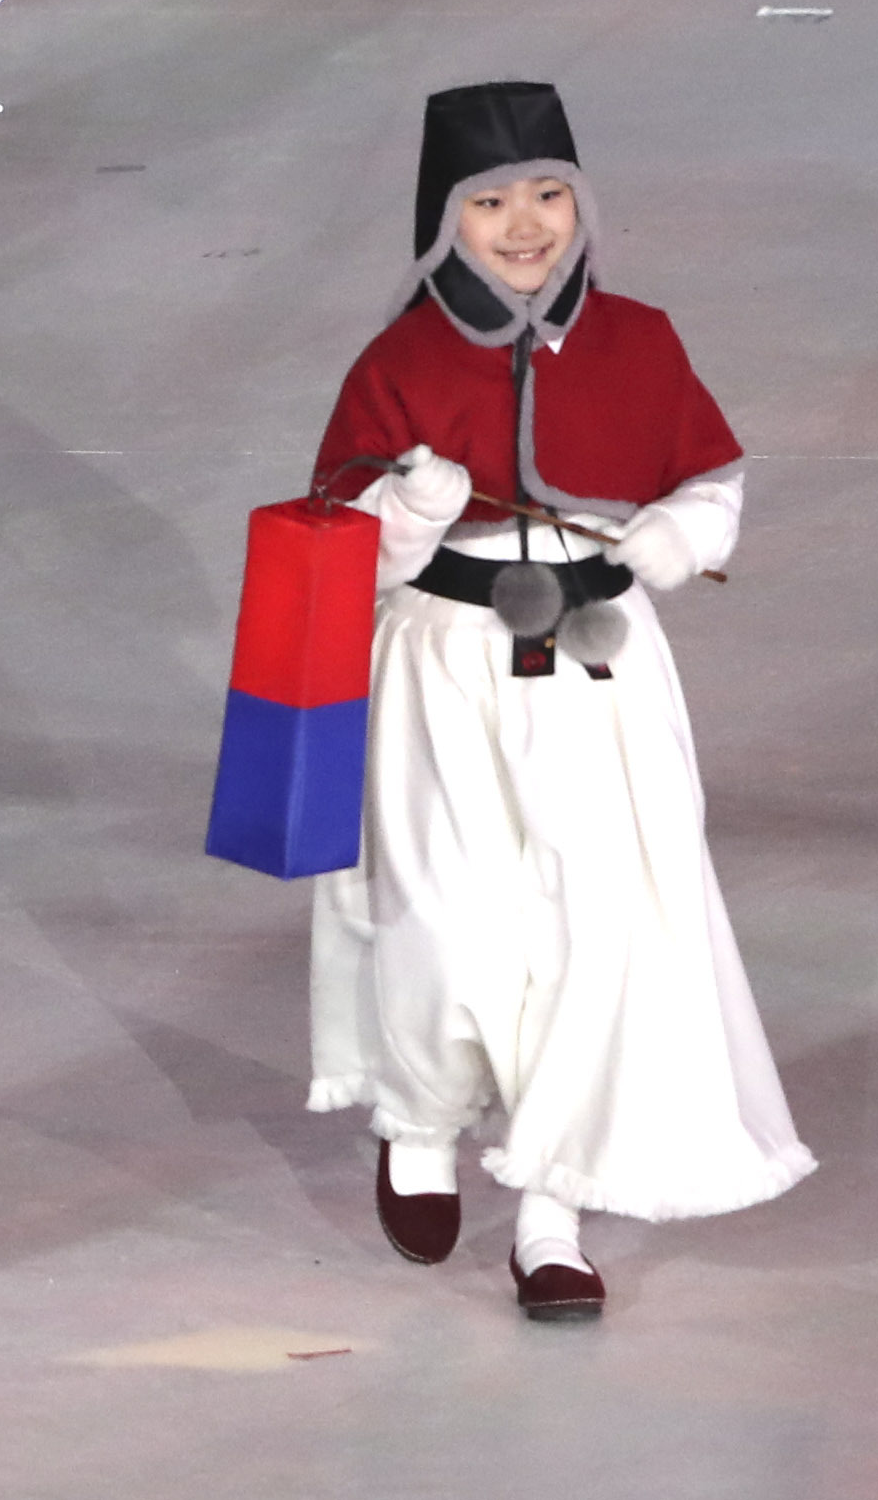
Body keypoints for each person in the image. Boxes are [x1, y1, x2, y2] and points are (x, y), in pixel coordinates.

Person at [305, 80, 812, 1318]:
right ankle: (419, 1125)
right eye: (489, 201)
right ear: (443, 221)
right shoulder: (400, 358)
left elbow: (708, 476)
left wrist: (671, 540)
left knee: (604, 927)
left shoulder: (639, 338)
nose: (525, 223)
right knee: (448, 919)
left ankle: (552, 1207)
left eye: (549, 194)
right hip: (445, 665)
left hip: (602, 671)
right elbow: (334, 534)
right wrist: (407, 509)